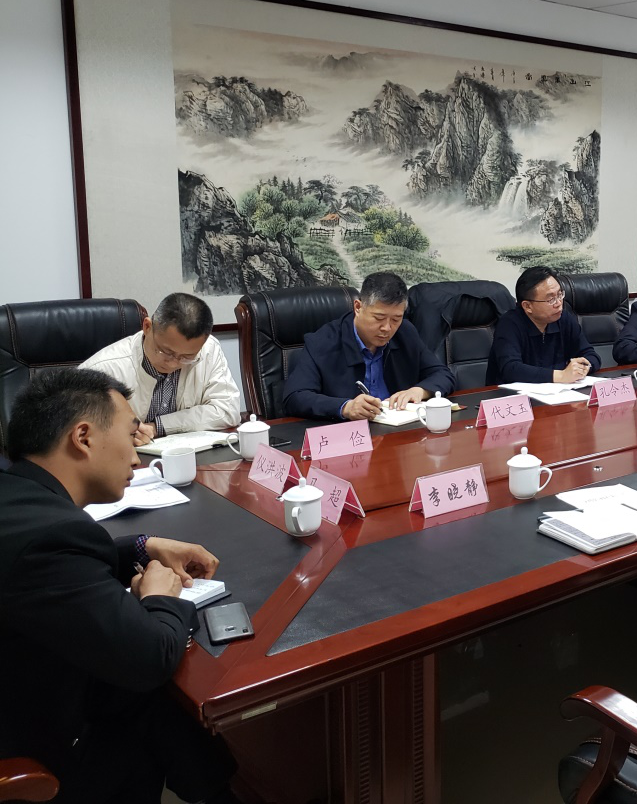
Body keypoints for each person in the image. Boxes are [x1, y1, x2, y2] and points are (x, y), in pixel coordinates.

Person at [0, 368, 238, 804]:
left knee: (164, 714)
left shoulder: (18, 499)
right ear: (83, 437)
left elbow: (60, 569)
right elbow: (150, 657)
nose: (137, 458)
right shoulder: (50, 537)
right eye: (131, 437)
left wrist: (143, 546)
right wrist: (160, 596)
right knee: (157, 694)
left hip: (25, 684)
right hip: (33, 746)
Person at [283, 272, 456, 420]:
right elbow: (295, 397)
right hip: (349, 436)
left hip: (397, 431)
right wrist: (345, 407)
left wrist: (420, 391)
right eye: (379, 318)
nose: (387, 328)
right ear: (358, 307)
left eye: (396, 319)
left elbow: (442, 374)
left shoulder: (405, 332)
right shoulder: (323, 341)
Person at [81, 292, 239, 446]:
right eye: (166, 352)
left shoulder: (208, 350)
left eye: (186, 357)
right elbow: (80, 433)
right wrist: (123, 435)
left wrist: (158, 427)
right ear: (147, 327)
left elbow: (228, 410)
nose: (173, 364)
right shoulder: (102, 369)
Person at [487, 266, 601, 385]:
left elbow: (591, 355)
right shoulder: (509, 324)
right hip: (512, 394)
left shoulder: (564, 318)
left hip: (559, 392)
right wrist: (561, 375)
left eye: (560, 295)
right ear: (527, 306)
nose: (558, 303)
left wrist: (583, 368)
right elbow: (511, 369)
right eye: (551, 299)